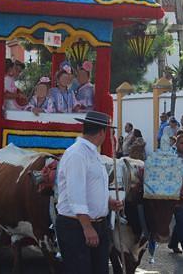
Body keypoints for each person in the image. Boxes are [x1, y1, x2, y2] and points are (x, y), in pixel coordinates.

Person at [55, 111, 123, 274]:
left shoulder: (92, 153)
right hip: (76, 226)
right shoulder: (77, 154)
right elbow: (76, 193)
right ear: (102, 132)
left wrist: (107, 201)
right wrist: (87, 227)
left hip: (97, 224)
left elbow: (92, 186)